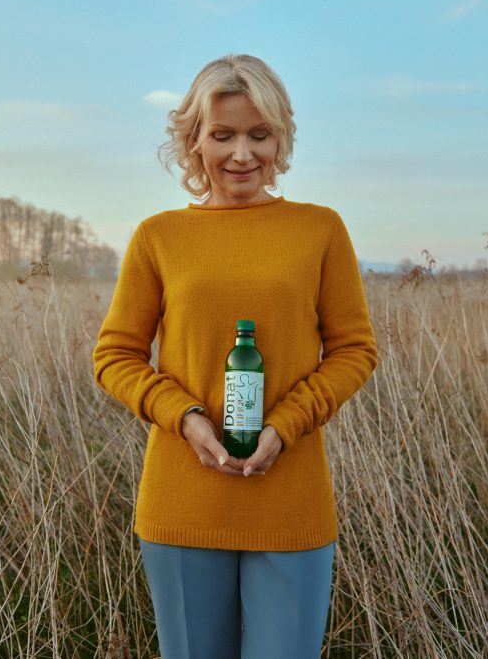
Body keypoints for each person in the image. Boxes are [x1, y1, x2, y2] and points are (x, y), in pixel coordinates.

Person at [92, 54, 378, 659]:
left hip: (290, 499)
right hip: (182, 502)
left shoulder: (320, 229)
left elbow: (354, 350)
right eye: (222, 135)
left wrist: (287, 423)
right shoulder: (158, 236)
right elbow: (115, 355)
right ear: (193, 141)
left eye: (259, 134)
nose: (242, 154)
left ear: (281, 137)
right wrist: (185, 416)